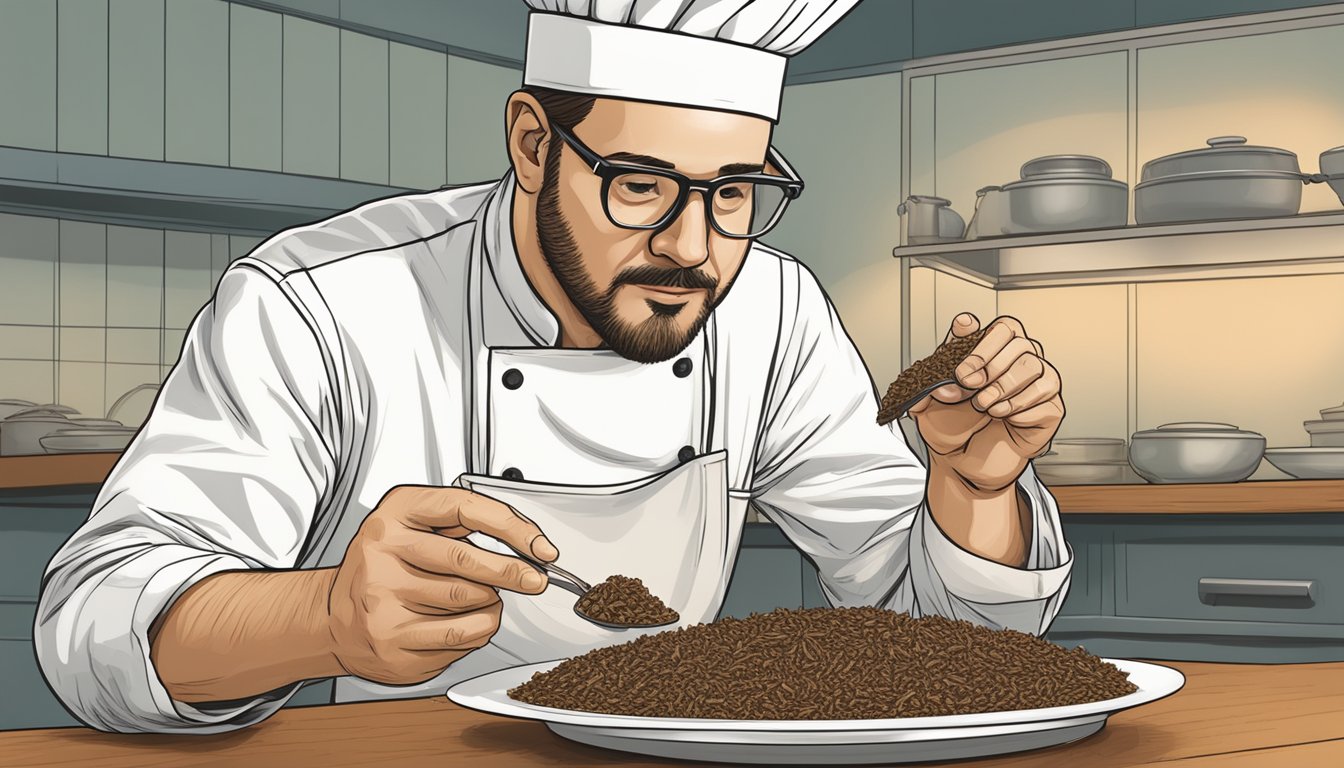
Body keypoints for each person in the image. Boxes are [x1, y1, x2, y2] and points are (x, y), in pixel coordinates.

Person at [35, 0, 1072, 734]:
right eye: (639, 184)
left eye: (734, 192)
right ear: (533, 144)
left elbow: (943, 649)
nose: (693, 247)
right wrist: (327, 620)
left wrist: (971, 491)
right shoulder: (324, 301)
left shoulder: (773, 310)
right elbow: (99, 619)